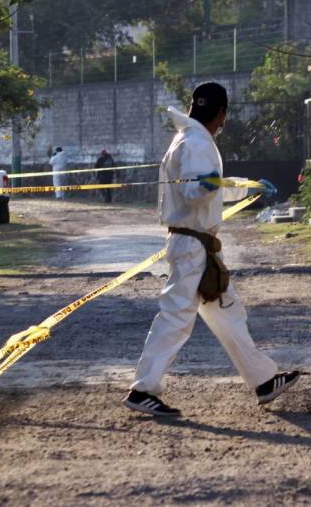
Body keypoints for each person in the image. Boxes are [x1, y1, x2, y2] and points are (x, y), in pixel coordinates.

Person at [124, 82, 299, 417]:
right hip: (192, 246)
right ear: (221, 113)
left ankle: (263, 380)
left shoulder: (188, 140)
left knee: (228, 313)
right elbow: (196, 194)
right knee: (176, 318)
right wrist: (209, 186)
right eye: (223, 116)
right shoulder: (196, 143)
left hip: (198, 245)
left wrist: (249, 190)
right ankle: (142, 388)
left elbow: (208, 190)